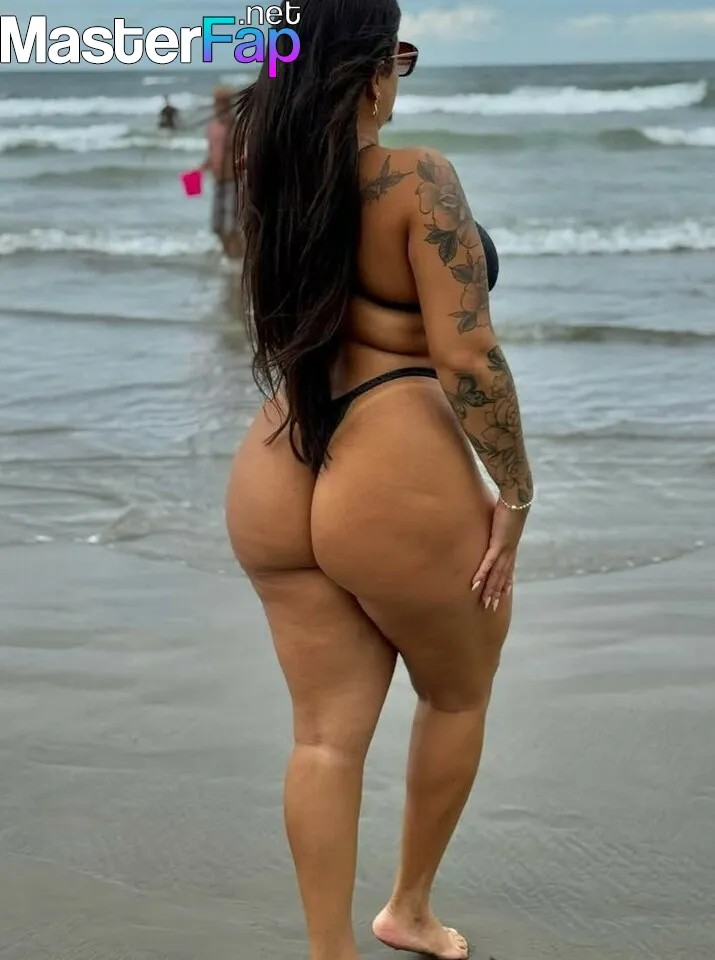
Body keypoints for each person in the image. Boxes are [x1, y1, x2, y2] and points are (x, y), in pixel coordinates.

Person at [225, 2, 534, 959]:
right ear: (366, 67)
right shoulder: (417, 176)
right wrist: (515, 493)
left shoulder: (270, 176)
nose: (399, 73)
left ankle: (330, 952)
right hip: (392, 460)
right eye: (397, 53)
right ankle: (408, 909)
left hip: (279, 453)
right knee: (456, 696)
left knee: (323, 737)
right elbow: (469, 358)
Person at [202, 85, 244, 260]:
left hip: (233, 183)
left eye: (223, 103)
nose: (220, 107)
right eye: (217, 103)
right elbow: (212, 154)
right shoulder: (212, 128)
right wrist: (200, 169)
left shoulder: (237, 127)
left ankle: (240, 262)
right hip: (218, 182)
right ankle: (233, 262)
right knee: (218, 228)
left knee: (231, 228)